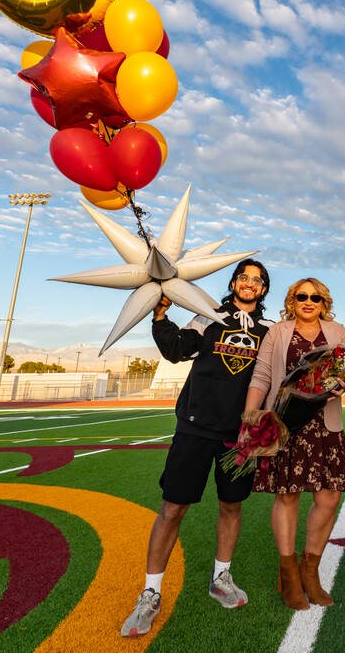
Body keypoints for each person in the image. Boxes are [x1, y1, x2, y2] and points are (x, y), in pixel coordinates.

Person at [120, 259, 275, 638]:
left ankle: (221, 576)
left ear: (264, 289)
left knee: (231, 504)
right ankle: (150, 592)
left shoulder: (271, 331)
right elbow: (175, 350)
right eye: (244, 277)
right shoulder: (208, 317)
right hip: (195, 428)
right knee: (173, 507)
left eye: (257, 279)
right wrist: (159, 314)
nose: (249, 283)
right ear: (234, 282)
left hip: (239, 436)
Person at [243, 277, 345, 610]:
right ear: (292, 300)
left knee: (329, 497)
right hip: (287, 424)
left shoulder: (338, 331)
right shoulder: (277, 332)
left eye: (316, 297)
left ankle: (310, 569)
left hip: (325, 423)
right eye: (302, 296)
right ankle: (289, 573)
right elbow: (262, 374)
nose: (309, 302)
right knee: (287, 495)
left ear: (324, 302)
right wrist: (250, 416)